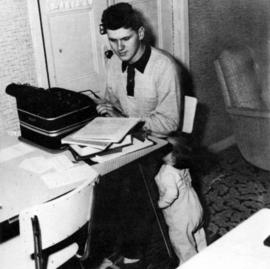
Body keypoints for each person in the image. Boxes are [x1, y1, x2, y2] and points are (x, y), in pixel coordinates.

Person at [94, 3, 183, 268]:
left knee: (130, 179)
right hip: (128, 137)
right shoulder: (113, 62)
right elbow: (111, 99)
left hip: (161, 142)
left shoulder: (163, 67)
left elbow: (170, 121)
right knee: (95, 173)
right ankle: (105, 249)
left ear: (141, 33)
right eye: (113, 40)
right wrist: (103, 107)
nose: (119, 47)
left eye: (125, 39)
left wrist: (125, 122)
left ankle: (133, 257)